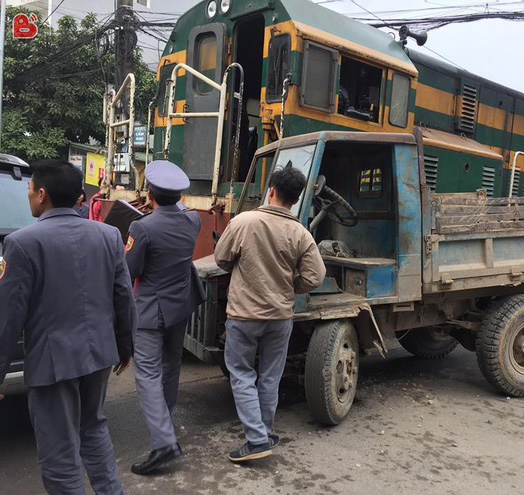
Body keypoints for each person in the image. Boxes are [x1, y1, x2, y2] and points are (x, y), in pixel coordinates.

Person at [0, 159, 136, 494]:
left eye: (30, 189)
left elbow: (8, 318)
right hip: (99, 356)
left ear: (42, 194)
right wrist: (124, 346)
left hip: (53, 363)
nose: (29, 195)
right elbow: (123, 296)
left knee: (60, 454)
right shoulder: (108, 235)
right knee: (93, 429)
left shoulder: (21, 243)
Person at [214, 162, 326, 462]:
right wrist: (292, 286)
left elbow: (221, 258)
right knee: (270, 376)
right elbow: (316, 276)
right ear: (296, 198)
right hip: (280, 317)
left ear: (271, 191)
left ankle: (256, 440)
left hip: (243, 315)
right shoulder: (301, 233)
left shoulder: (243, 222)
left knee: (240, 372)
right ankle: (263, 432)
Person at [125, 160, 205, 475]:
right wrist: (163, 199)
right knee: (171, 367)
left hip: (150, 311)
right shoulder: (193, 220)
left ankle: (163, 442)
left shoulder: (141, 226)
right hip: (180, 307)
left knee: (146, 375)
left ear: (150, 193)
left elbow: (129, 270)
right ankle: (165, 423)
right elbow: (179, 207)